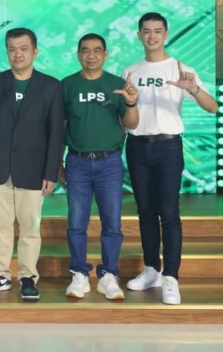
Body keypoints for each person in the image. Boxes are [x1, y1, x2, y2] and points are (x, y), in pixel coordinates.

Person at [123, 12, 217, 305]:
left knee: (169, 212)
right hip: (137, 146)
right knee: (145, 211)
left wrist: (193, 89)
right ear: (139, 35)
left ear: (165, 34)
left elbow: (212, 107)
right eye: (146, 31)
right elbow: (127, 116)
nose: (152, 36)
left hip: (168, 147)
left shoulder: (181, 69)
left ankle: (171, 276)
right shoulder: (130, 71)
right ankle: (151, 269)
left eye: (157, 31)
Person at [0, 27, 63, 301]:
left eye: (23, 49)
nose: (17, 54)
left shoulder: (51, 86)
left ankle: (27, 277)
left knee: (30, 228)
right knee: (0, 227)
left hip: (33, 169)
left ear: (35, 51)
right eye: (12, 49)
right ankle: (0, 274)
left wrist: (51, 172)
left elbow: (55, 133)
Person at [59, 33, 139, 301]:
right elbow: (61, 127)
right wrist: (58, 163)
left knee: (112, 223)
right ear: (78, 54)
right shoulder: (67, 85)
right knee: (76, 223)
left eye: (96, 50)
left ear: (105, 54)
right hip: (77, 162)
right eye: (85, 50)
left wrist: (130, 102)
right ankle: (79, 274)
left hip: (109, 163)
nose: (91, 55)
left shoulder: (117, 85)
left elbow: (132, 123)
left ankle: (108, 275)